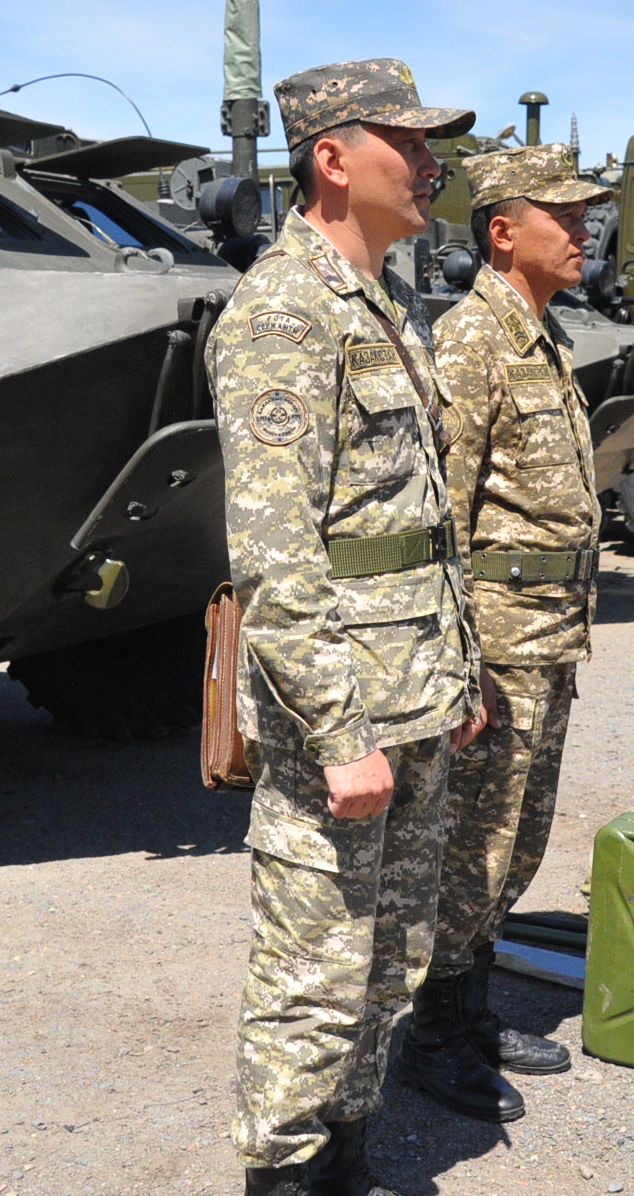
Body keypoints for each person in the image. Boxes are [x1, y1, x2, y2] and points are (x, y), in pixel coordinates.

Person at [209, 58, 490, 1196]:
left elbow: (418, 521)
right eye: (406, 144)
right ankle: (282, 1175)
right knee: (314, 977)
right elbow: (275, 556)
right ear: (332, 158)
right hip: (347, 710)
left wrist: (457, 676)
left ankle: (347, 1161)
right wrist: (335, 728)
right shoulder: (284, 311)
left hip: (413, 692)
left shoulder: (386, 303)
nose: (432, 166)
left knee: (392, 961)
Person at [421, 144, 609, 1122]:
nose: (583, 232)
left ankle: (474, 1009)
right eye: (564, 216)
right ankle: (435, 1033)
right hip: (495, 645)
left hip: (547, 639)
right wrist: (455, 667)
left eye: (584, 217)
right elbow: (440, 522)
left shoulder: (545, 335)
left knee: (517, 842)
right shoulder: (471, 340)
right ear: (503, 230)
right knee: (472, 848)